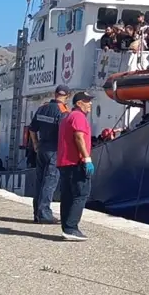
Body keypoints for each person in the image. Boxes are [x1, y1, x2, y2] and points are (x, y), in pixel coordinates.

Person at [27, 84, 69, 224]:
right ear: (67, 96)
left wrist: (35, 144)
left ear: (55, 94)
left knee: (39, 181)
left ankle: (37, 213)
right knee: (50, 182)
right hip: (55, 150)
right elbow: (64, 134)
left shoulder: (42, 108)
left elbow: (32, 129)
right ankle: (44, 214)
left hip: (42, 148)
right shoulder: (63, 111)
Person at [56, 91, 95, 241]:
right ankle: (72, 228)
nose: (90, 103)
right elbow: (79, 137)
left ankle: (67, 227)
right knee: (81, 194)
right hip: (75, 162)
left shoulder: (67, 117)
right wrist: (87, 158)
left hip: (64, 162)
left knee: (67, 196)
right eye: (87, 101)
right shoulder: (79, 117)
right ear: (79, 103)